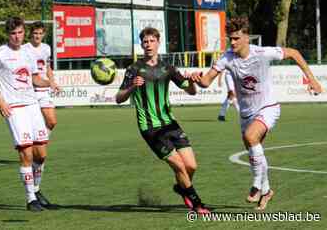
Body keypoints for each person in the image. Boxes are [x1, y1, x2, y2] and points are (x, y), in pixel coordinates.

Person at [191, 17, 322, 210]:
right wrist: (196, 79)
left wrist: (312, 80)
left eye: (236, 38)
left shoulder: (262, 53)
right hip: (246, 114)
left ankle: (256, 185)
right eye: (230, 39)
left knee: (250, 136)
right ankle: (267, 190)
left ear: (246, 37)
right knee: (255, 150)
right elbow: (206, 81)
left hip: (268, 107)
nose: (232, 42)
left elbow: (294, 53)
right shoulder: (226, 58)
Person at [115, 27, 210, 214]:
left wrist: (192, 80)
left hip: (170, 123)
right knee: (180, 166)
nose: (148, 45)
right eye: (145, 42)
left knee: (191, 166)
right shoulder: (134, 69)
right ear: (141, 44)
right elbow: (119, 98)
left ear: (158, 43)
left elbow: (191, 91)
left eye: (152, 41)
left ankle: (182, 187)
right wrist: (132, 87)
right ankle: (197, 204)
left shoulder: (168, 68)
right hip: (150, 128)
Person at [0, 17, 59, 212]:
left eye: (19, 32)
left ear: (23, 32)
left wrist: (48, 83)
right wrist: (1, 102)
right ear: (7, 35)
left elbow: (34, 78)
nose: (17, 37)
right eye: (13, 34)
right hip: (15, 109)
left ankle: (36, 189)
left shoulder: (28, 53)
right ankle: (30, 198)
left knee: (41, 154)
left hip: (33, 105)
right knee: (26, 153)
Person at [23, 21, 58, 208]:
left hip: (44, 90)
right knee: (39, 153)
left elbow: (48, 67)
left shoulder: (46, 48)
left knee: (52, 121)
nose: (37, 36)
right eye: (34, 34)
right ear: (31, 34)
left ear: (44, 34)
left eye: (40, 34)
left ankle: (41, 139)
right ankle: (40, 140)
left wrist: (52, 82)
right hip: (32, 92)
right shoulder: (25, 49)